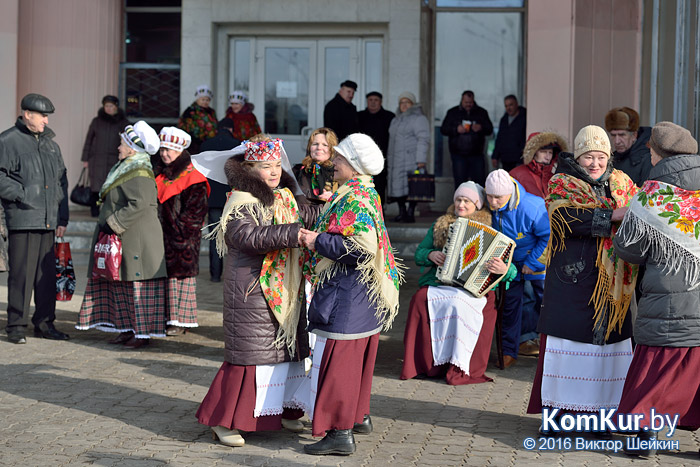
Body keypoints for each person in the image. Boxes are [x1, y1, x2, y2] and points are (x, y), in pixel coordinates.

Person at [195, 135, 320, 448]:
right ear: (250, 168)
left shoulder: (285, 197)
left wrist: (334, 209)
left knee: (288, 353)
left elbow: (309, 216)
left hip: (282, 290)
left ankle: (287, 411)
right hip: (251, 291)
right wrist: (296, 234)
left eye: (277, 165)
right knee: (252, 358)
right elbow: (246, 237)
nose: (275, 172)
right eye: (266, 166)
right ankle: (224, 421)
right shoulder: (241, 200)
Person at [527, 125, 639, 428]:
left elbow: (640, 210)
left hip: (614, 287)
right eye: (589, 156)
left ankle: (602, 419)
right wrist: (613, 215)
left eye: (601, 156)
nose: (595, 163)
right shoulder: (562, 182)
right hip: (573, 282)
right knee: (572, 353)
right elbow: (564, 219)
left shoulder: (623, 182)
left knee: (608, 358)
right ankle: (565, 418)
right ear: (578, 156)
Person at [299, 133, 403, 456]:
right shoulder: (363, 191)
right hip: (365, 295)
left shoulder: (354, 198)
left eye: (340, 159)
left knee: (339, 363)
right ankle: (358, 417)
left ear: (353, 167)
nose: (334, 163)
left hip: (349, 293)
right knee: (358, 361)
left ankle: (339, 432)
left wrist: (316, 241)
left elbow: (359, 247)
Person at [613, 122, 700, 457]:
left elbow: (627, 249)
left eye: (649, 150)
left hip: (667, 302)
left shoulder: (651, 194)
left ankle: (642, 434)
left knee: (655, 368)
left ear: (658, 153)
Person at [401, 181, 517, 385]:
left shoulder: (490, 228)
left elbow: (511, 269)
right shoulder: (441, 224)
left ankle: (458, 365)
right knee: (420, 298)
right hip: (441, 282)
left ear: (477, 205)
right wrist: (431, 254)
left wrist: (503, 269)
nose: (461, 205)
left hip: (474, 290)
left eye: (467, 201)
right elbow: (419, 252)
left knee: (460, 304)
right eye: (458, 200)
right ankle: (427, 365)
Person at [76, 121, 167, 349]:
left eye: (122, 143)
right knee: (123, 286)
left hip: (137, 240)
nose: (118, 147)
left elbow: (141, 204)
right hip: (125, 237)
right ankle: (126, 328)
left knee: (138, 287)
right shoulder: (126, 167)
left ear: (132, 148)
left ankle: (142, 333)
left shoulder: (140, 172)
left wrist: (113, 223)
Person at [0, 93, 70, 344]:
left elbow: (62, 180)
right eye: (42, 116)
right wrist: (22, 194)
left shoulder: (52, 145)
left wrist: (63, 217)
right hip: (22, 217)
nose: (46, 121)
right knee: (21, 275)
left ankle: (44, 323)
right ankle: (16, 326)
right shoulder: (8, 141)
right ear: (27, 114)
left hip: (49, 220)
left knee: (46, 277)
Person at [485, 169, 549, 368]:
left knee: (545, 306)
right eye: (490, 197)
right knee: (509, 307)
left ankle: (550, 353)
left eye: (498, 197)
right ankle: (508, 351)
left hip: (534, 262)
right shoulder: (489, 208)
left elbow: (548, 238)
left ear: (509, 194)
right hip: (508, 265)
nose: (493, 202)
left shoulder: (533, 207)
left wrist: (532, 263)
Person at [155, 127, 210, 336]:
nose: (165, 154)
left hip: (182, 242)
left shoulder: (193, 177)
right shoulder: (159, 172)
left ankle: (180, 321)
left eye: (169, 150)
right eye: (162, 149)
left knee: (180, 282)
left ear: (180, 151)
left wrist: (181, 236)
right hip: (161, 239)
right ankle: (165, 318)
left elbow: (196, 212)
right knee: (165, 281)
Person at [199, 118, 241, 282]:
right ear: (231, 129)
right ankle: (232, 275)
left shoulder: (206, 145)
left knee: (214, 236)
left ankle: (215, 275)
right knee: (234, 236)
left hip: (212, 197)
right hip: (232, 197)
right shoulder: (237, 145)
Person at [81, 95, 130, 217]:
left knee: (112, 185)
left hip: (115, 159)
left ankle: (110, 211)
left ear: (116, 107)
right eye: (106, 106)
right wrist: (85, 159)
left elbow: (129, 141)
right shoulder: (96, 121)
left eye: (111, 106)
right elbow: (89, 140)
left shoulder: (123, 123)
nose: (108, 108)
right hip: (97, 159)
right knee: (96, 186)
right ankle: (95, 211)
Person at [386, 92, 430, 223]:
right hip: (396, 160)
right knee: (398, 187)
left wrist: (421, 160)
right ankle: (402, 212)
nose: (404, 105)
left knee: (413, 187)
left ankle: (410, 212)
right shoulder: (396, 120)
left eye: (407, 102)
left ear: (413, 104)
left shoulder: (419, 119)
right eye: (401, 102)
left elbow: (424, 139)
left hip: (411, 159)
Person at [440, 90, 493, 187]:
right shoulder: (452, 113)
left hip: (477, 154)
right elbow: (443, 129)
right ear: (462, 101)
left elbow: (490, 129)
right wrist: (456, 129)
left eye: (470, 102)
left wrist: (480, 127)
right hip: (458, 155)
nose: (468, 104)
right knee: (460, 184)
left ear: (473, 101)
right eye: (466, 102)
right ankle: (460, 202)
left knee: (479, 184)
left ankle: (479, 202)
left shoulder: (482, 112)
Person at [358, 91, 395, 203]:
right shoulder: (359, 116)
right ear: (367, 101)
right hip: (363, 158)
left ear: (381, 102)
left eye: (376, 100)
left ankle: (380, 210)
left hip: (383, 156)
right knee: (363, 184)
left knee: (380, 185)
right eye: (370, 100)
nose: (373, 103)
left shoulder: (389, 117)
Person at [510, 132, 568, 200]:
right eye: (543, 152)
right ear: (533, 153)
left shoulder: (555, 178)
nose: (547, 156)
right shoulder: (516, 175)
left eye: (550, 152)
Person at [605, 106, 652, 186]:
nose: (617, 141)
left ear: (634, 135)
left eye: (622, 135)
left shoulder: (648, 159)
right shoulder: (611, 158)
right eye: (613, 135)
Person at [293, 127, 338, 204]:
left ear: (332, 149)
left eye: (325, 145)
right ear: (309, 148)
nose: (319, 148)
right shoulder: (297, 171)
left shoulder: (338, 172)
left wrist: (334, 199)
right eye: (315, 144)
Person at [178, 85, 218, 154]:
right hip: (195, 145)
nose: (205, 102)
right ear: (197, 99)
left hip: (209, 144)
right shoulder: (190, 111)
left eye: (207, 100)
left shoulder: (211, 112)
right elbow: (185, 127)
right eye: (203, 99)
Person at [491, 95, 527, 171]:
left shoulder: (525, 117)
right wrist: (495, 156)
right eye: (506, 106)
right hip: (505, 159)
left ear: (516, 104)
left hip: (519, 159)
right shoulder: (504, 120)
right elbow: (499, 138)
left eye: (511, 105)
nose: (508, 108)